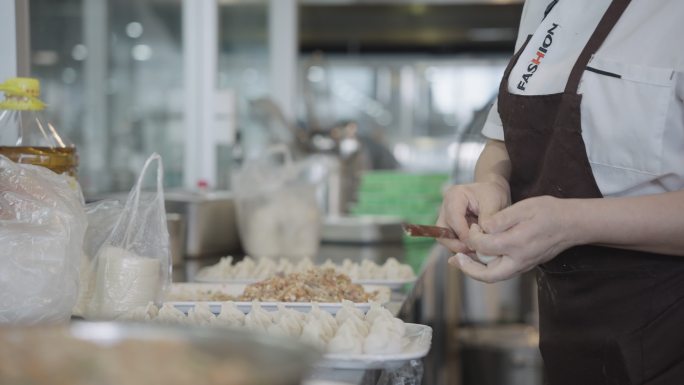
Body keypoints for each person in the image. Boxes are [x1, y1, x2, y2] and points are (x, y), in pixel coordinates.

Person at [436, 0, 684, 383]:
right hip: (570, 336)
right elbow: (501, 141)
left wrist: (572, 223)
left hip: (670, 334)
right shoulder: (545, 5)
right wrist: (491, 184)